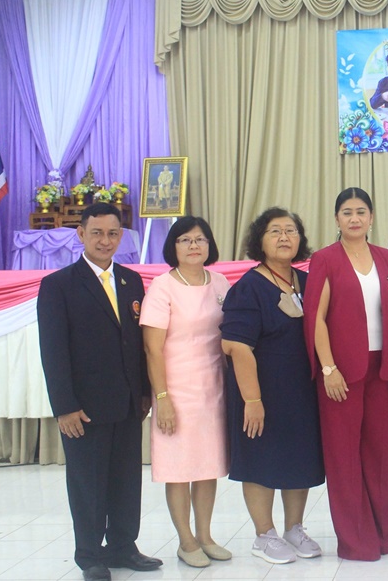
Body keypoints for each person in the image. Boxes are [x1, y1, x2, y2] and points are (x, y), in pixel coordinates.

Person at [37, 203, 162, 581]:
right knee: (88, 483)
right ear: (81, 235)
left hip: (127, 403)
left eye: (112, 234)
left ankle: (123, 546)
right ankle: (90, 554)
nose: (105, 241)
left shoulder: (131, 281)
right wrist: (64, 406)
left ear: (120, 236)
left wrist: (144, 392)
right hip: (84, 408)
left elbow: (137, 343)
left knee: (126, 480)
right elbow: (53, 351)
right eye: (97, 233)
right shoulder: (58, 285)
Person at [303, 187, 388, 560]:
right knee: (344, 458)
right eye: (347, 212)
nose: (354, 218)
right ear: (337, 218)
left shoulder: (386, 258)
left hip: (381, 369)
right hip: (341, 373)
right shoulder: (325, 259)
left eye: (361, 211)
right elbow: (316, 317)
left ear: (371, 217)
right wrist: (328, 368)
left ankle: (381, 533)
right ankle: (354, 539)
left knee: (380, 455)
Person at [220, 208, 324, 565]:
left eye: (291, 231)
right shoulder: (248, 287)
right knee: (260, 460)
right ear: (259, 241)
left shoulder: (307, 282)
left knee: (299, 458)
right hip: (260, 392)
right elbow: (237, 347)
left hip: (301, 391)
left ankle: (294, 528)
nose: (284, 237)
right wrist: (252, 399)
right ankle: (264, 534)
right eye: (275, 231)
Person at [140, 217, 231, 568]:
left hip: (214, 388)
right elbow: (152, 349)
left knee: (207, 465)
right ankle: (185, 539)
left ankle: (205, 535)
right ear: (173, 247)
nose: (194, 246)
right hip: (175, 390)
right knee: (178, 468)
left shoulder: (220, 282)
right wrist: (162, 399)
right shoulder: (163, 286)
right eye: (185, 240)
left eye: (200, 239)